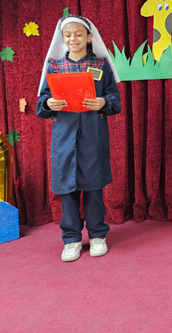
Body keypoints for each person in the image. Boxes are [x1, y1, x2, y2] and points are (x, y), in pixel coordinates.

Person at [36, 14, 121, 262]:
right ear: (62, 38)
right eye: (68, 35)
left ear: (89, 37)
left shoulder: (101, 65)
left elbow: (115, 101)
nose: (73, 38)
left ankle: (97, 235)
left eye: (78, 34)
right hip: (64, 138)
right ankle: (71, 239)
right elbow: (42, 104)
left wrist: (103, 102)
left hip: (93, 136)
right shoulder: (54, 66)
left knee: (94, 187)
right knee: (67, 189)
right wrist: (49, 103)